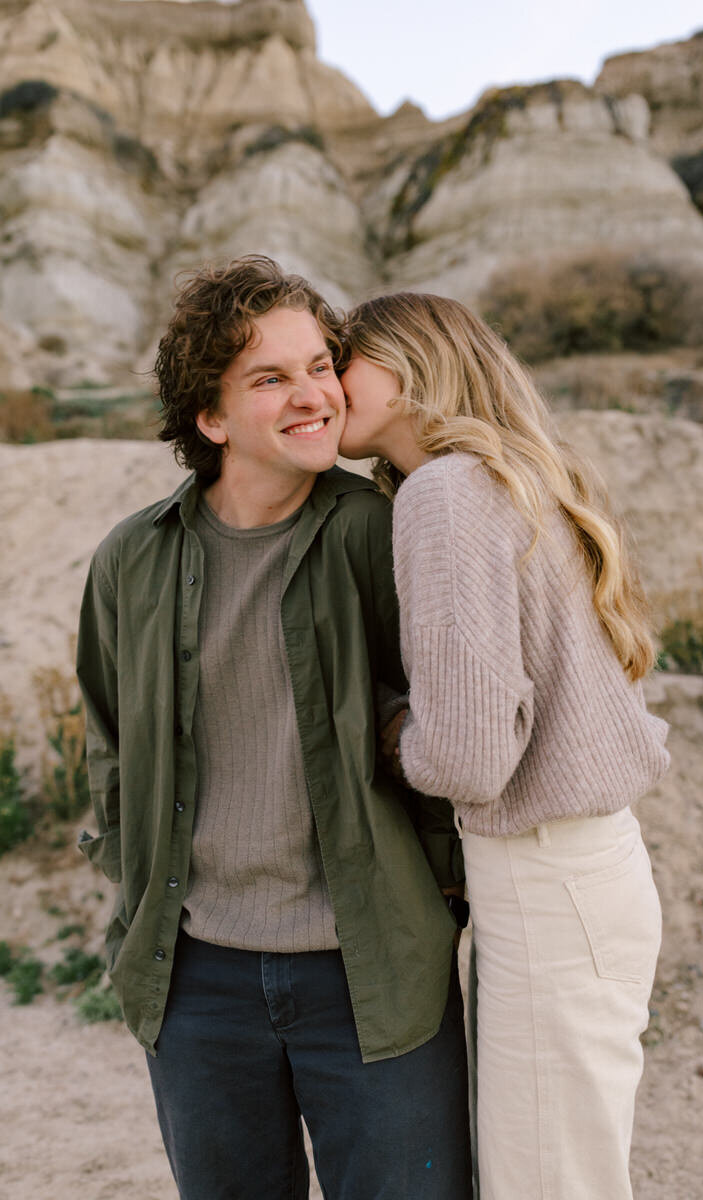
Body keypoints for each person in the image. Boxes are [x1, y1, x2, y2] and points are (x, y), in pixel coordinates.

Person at [76, 257, 472, 1200]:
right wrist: (129, 875)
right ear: (210, 420)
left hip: (371, 972)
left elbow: (446, 713)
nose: (314, 395)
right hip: (195, 976)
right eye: (270, 378)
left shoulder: (379, 531)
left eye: (319, 365)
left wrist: (438, 894)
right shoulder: (132, 558)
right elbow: (109, 737)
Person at [338, 291, 671, 1200]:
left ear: (405, 369)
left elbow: (471, 758)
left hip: (546, 883)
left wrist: (390, 728)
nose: (328, 384)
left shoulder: (443, 493)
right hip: (581, 873)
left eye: (344, 359)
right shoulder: (503, 478)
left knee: (546, 1182)